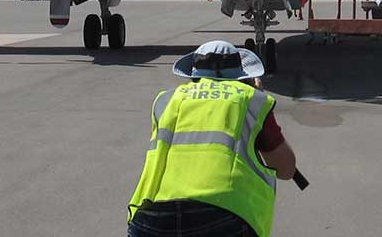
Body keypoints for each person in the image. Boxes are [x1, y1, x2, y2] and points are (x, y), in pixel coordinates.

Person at [127, 41, 297, 237]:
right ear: (243, 76)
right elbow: (286, 169)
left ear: (193, 75)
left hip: (151, 216)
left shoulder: (166, 100)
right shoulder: (252, 100)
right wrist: (253, 94)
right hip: (223, 217)